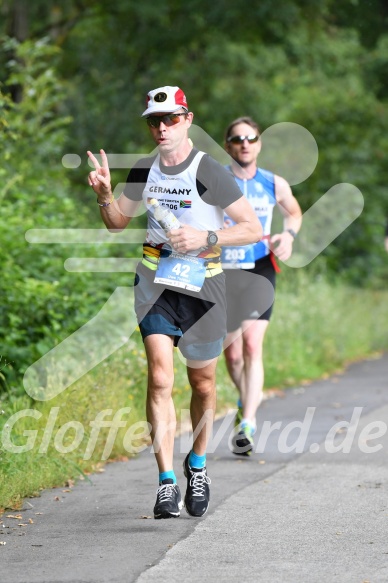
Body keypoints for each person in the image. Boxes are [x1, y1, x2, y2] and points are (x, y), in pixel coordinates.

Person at [87, 88, 262, 519]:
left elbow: (252, 228)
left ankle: (197, 467)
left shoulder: (209, 171)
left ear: (187, 119)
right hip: (155, 282)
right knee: (160, 379)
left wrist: (208, 237)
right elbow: (116, 224)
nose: (161, 128)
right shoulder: (144, 168)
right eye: (154, 121)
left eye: (170, 119)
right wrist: (105, 195)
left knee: (202, 385)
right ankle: (167, 481)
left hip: (205, 286)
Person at [222, 116, 302, 456]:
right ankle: (245, 401)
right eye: (238, 138)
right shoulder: (213, 180)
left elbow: (294, 214)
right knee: (233, 354)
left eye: (250, 138)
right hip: (221, 268)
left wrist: (289, 236)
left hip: (259, 268)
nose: (244, 143)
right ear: (228, 145)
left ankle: (248, 423)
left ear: (258, 144)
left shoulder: (273, 183)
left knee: (253, 345)